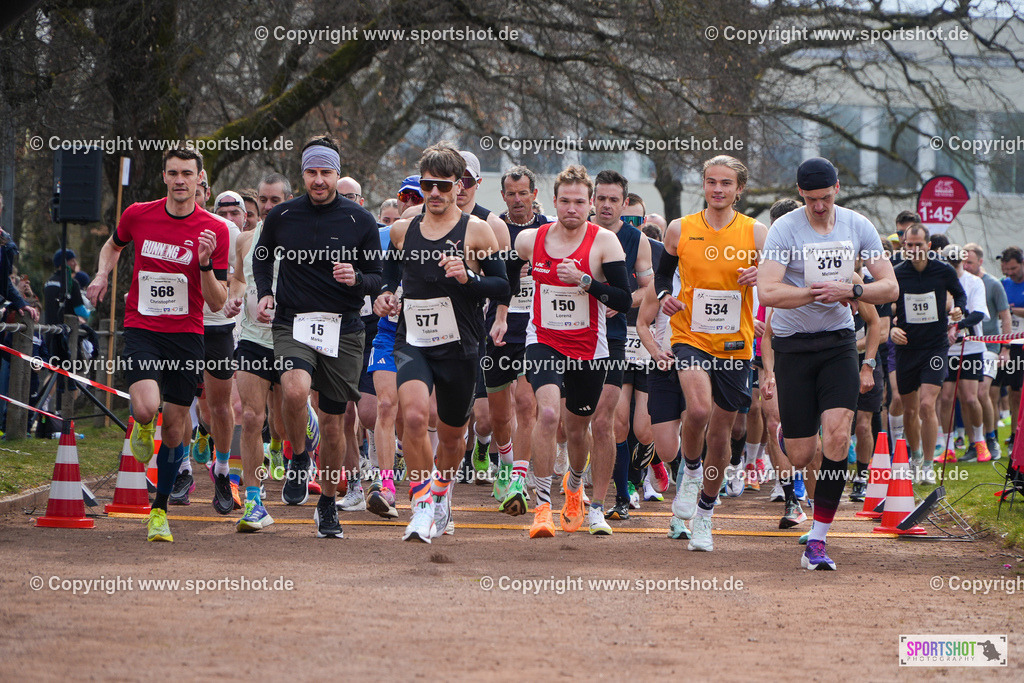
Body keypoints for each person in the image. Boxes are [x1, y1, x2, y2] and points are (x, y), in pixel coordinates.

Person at [758, 156, 898, 570]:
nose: (819, 206)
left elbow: (889, 286)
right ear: (800, 193)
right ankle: (790, 434)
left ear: (837, 187)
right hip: (793, 344)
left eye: (825, 197)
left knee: (837, 437)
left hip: (838, 342)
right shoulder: (785, 229)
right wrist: (814, 292)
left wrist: (852, 288)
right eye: (810, 199)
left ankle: (817, 541)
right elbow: (766, 292)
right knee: (802, 456)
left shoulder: (858, 225)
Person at [86, 147, 229, 542]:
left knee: (176, 427)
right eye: (173, 173)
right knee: (146, 407)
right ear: (164, 177)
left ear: (200, 180)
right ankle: (142, 425)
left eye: (187, 173)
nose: (180, 180)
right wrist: (101, 276)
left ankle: (160, 510)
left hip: (186, 335)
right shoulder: (138, 214)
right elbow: (114, 245)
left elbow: (217, 302)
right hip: (143, 327)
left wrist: (202, 264)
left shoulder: (212, 229)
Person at [375, 142, 508, 542]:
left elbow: (502, 285)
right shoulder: (403, 230)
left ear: (458, 186)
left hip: (461, 346)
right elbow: (389, 277)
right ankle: (421, 506)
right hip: (412, 339)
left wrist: (469, 278)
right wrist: (384, 294)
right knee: (414, 417)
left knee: (452, 437)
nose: (434, 193)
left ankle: (442, 491)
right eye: (428, 185)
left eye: (443, 186)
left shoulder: (478, 231)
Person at [253, 134, 383, 539]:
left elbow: (379, 278)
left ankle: (327, 503)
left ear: (337, 174)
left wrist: (358, 278)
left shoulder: (359, 220)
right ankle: (298, 457)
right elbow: (262, 256)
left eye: (326, 172)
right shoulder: (283, 216)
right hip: (292, 322)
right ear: (303, 174)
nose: (319, 180)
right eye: (312, 172)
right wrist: (267, 292)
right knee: (293, 392)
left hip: (343, 329)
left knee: (332, 423)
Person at [514, 164, 631, 538]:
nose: (572, 209)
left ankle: (576, 486)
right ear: (553, 202)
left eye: (580, 202)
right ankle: (543, 508)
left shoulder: (604, 243)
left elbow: (624, 299)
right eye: (565, 201)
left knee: (579, 429)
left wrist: (585, 282)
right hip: (543, 340)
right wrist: (501, 313)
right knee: (547, 414)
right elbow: (503, 277)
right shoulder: (530, 240)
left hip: (589, 348)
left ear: (590, 204)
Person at [655, 155, 765, 552]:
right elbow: (663, 272)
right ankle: (690, 473)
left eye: (726, 183)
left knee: (721, 433)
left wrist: (760, 276)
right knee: (698, 411)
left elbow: (775, 280)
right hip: (690, 334)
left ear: (739, 189)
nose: (718, 189)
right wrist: (665, 295)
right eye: (711, 182)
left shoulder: (756, 233)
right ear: (703, 185)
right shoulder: (680, 228)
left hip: (736, 343)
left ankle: (705, 514)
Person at [588, 170, 652, 526]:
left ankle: (625, 489)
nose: (607, 205)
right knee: (599, 421)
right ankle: (607, 493)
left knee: (630, 424)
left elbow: (649, 290)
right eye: (602, 198)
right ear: (593, 200)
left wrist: (623, 300)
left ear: (624, 203)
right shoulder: (578, 232)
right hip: (578, 336)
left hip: (621, 336)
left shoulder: (635, 240)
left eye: (614, 199)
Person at [489, 165, 546, 514]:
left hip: (536, 328)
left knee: (526, 403)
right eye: (511, 193)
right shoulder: (495, 229)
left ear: (534, 195)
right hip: (498, 324)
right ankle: (506, 459)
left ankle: (518, 480)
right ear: (503, 196)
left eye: (523, 192)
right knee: (498, 416)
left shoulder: (548, 229)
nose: (518, 199)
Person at [890, 224, 967, 480]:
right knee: (910, 410)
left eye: (918, 245)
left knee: (926, 405)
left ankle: (928, 466)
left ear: (928, 246)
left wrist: (958, 310)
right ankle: (916, 458)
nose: (913, 250)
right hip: (907, 348)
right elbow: (883, 309)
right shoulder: (897, 273)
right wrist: (891, 330)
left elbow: (960, 295)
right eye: (908, 245)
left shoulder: (942, 270)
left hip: (935, 346)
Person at [936, 245, 990, 464]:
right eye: (949, 261)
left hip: (971, 347)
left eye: (956, 262)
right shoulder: (938, 281)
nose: (953, 265)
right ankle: (948, 448)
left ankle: (979, 441)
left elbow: (978, 313)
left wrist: (957, 328)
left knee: (970, 397)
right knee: (946, 397)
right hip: (947, 349)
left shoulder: (973, 282)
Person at [963, 242, 1010, 459]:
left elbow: (1005, 315)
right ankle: (974, 443)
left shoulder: (992, 284)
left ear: (980, 262)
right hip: (968, 345)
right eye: (964, 261)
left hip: (990, 346)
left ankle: (991, 439)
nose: (966, 265)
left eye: (970, 262)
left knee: (983, 392)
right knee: (966, 395)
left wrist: (1005, 348)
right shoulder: (960, 281)